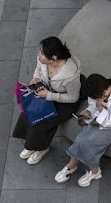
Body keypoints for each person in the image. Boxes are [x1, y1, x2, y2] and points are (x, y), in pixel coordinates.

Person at [54, 74, 111, 187]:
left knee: (88, 143)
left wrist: (100, 108)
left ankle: (95, 171)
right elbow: (92, 106)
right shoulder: (97, 92)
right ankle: (72, 165)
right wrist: (89, 112)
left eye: (95, 99)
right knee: (81, 139)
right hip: (101, 118)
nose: (92, 100)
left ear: (103, 95)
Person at [12, 36, 82, 165]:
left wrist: (48, 95)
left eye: (42, 53)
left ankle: (41, 148)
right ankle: (32, 144)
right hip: (46, 92)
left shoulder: (70, 76)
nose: (39, 55)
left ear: (53, 58)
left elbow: (73, 98)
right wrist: (36, 79)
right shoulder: (43, 60)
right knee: (29, 111)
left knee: (42, 122)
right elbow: (37, 71)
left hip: (64, 102)